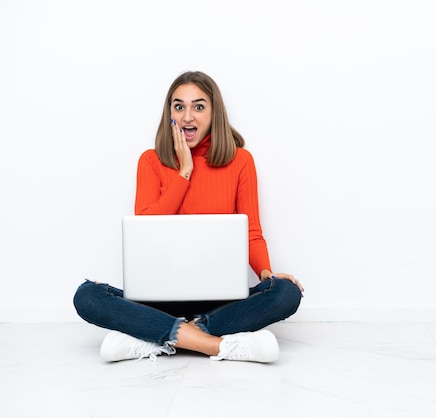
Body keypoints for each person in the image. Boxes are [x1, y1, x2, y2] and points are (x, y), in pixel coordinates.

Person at [73, 71, 303, 363]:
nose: (187, 117)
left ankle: (157, 337)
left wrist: (267, 275)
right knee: (87, 295)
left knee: (286, 292)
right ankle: (215, 344)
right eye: (179, 106)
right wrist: (184, 172)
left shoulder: (240, 161)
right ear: (169, 113)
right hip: (158, 301)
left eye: (198, 106)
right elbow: (145, 232)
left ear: (214, 112)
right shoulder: (151, 161)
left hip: (221, 301)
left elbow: (251, 233)